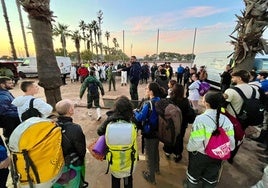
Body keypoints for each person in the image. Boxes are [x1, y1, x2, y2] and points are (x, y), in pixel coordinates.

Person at [184, 92, 235, 188]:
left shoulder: (200, 119)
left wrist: (189, 148)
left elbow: (196, 141)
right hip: (217, 155)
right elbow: (231, 144)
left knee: (193, 177)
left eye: (203, 98)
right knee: (210, 179)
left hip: (200, 155)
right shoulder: (227, 121)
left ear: (206, 103)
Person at [97, 95, 137, 188]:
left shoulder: (110, 120)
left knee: (115, 179)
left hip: (113, 158)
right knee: (128, 178)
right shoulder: (132, 120)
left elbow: (99, 131)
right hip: (129, 157)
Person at [223, 70, 260, 164]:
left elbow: (222, 105)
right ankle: (231, 156)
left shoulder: (231, 91)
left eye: (233, 77)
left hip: (231, 119)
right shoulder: (255, 91)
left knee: (226, 137)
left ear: (239, 78)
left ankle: (223, 154)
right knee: (239, 137)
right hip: (246, 120)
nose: (232, 79)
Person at [134, 82, 164, 184]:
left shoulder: (148, 103)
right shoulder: (160, 100)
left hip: (149, 132)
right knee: (155, 151)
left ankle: (151, 177)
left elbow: (140, 117)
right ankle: (157, 169)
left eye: (147, 88)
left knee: (149, 155)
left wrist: (135, 112)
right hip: (158, 131)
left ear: (151, 91)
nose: (145, 90)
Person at [52, 99, 87, 188]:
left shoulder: (52, 125)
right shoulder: (75, 128)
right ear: (70, 111)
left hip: (54, 167)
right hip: (71, 167)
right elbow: (81, 150)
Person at [163, 84, 193, 162]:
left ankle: (167, 152)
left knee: (169, 138)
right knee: (179, 139)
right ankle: (177, 154)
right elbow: (188, 113)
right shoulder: (185, 101)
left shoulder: (169, 100)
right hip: (181, 124)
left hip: (170, 124)